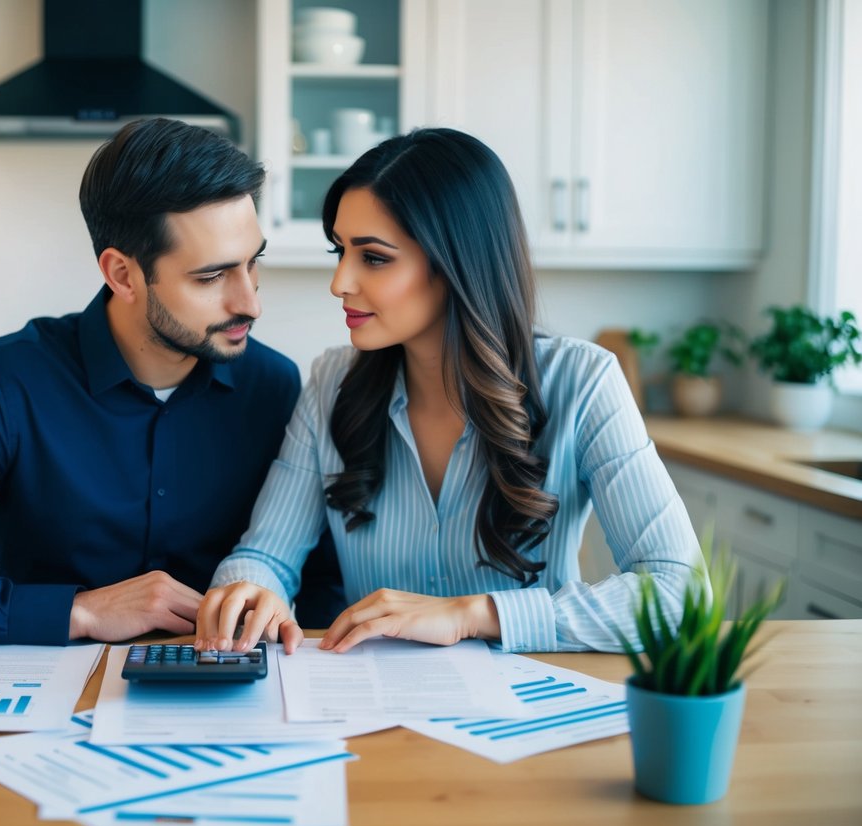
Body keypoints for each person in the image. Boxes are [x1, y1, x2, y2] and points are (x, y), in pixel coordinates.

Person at [0, 118, 342, 646]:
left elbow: (325, 575)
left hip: (224, 692)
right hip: (40, 693)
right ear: (122, 274)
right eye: (210, 277)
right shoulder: (5, 384)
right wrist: (79, 612)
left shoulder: (273, 385)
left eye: (252, 262)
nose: (250, 302)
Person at [195, 127, 701, 657]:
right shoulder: (331, 382)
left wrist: (472, 614)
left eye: (374, 257)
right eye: (339, 250)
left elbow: (680, 595)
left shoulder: (583, 381)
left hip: (529, 714)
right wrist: (249, 591)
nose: (340, 281)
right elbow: (267, 556)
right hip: (376, 713)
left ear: (456, 262)